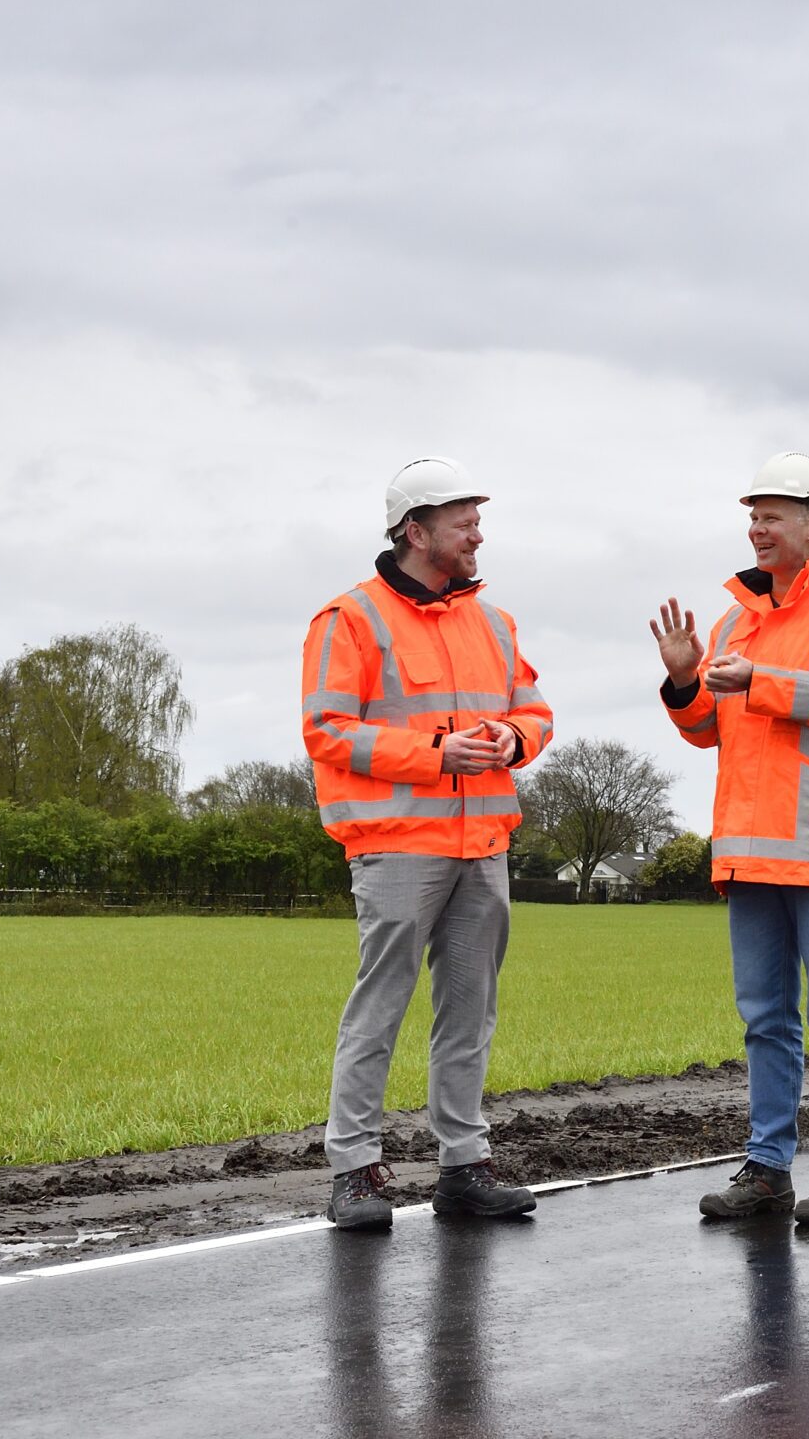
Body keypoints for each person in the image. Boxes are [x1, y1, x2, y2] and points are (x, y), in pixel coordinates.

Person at [301, 456, 554, 1231]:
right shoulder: (349, 619)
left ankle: (463, 1167)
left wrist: (512, 740)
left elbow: (536, 711)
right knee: (380, 1005)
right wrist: (434, 754)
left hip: (482, 842)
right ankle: (355, 1171)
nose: (479, 531)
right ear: (417, 531)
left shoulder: (495, 622)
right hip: (397, 844)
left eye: (477, 517)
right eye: (463, 520)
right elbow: (327, 730)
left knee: (470, 1011)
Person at [649, 452, 809, 1226]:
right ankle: (766, 1170)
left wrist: (756, 680)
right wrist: (686, 680)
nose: (756, 528)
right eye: (751, 515)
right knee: (765, 1020)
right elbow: (706, 734)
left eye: (771, 514)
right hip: (749, 851)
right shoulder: (734, 621)